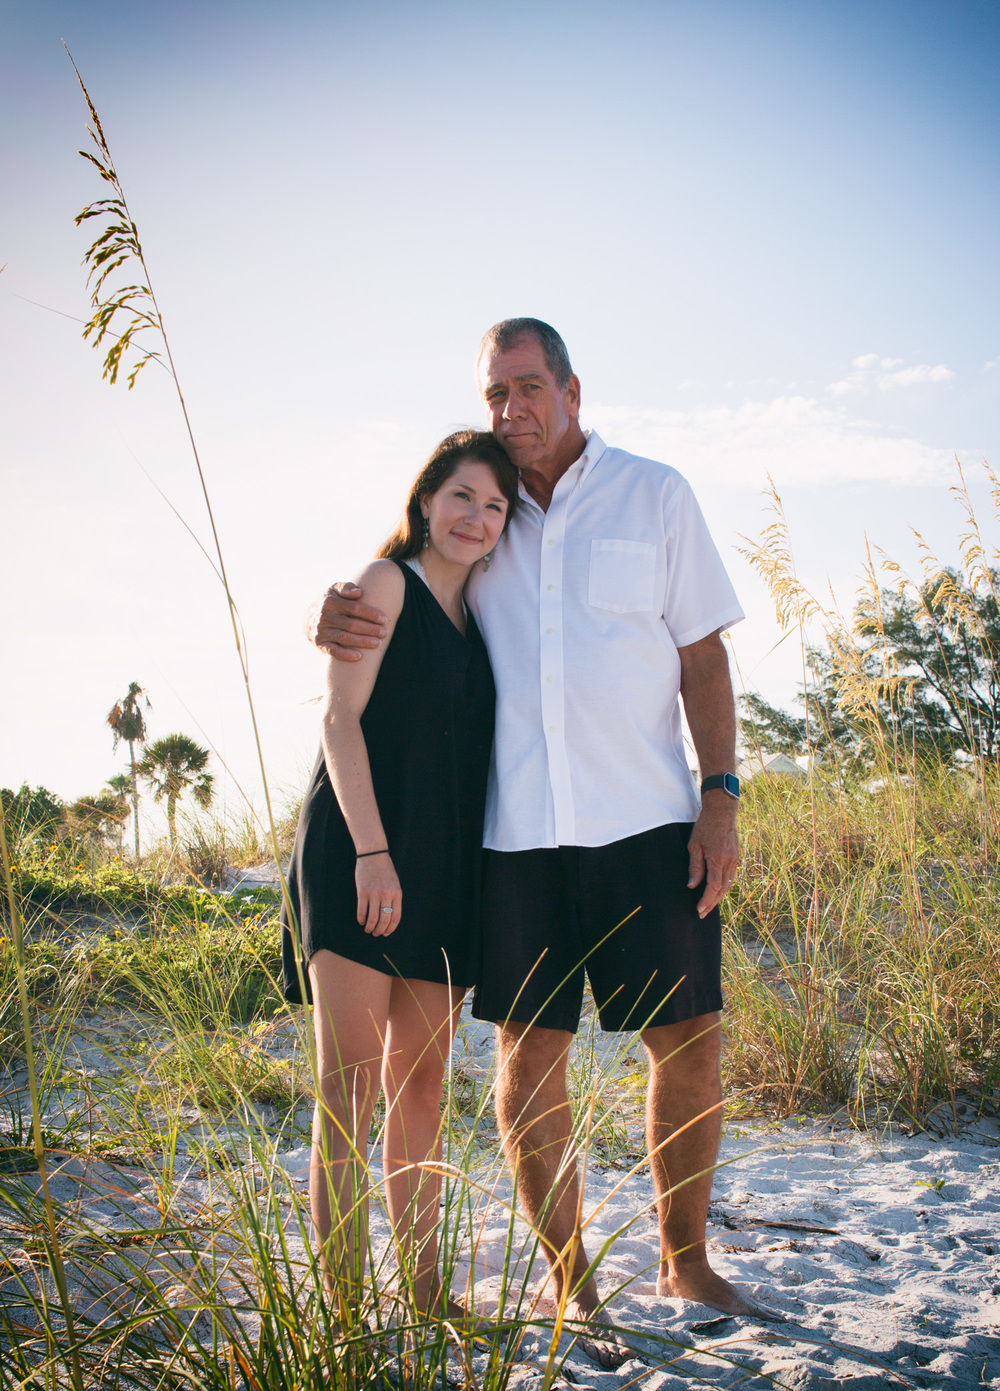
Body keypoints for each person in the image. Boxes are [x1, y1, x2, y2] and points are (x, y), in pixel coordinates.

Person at [310, 320, 776, 1364]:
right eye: (495, 393)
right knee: (528, 1063)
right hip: (513, 841)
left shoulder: (653, 493)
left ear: (571, 387)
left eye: (528, 387)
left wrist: (722, 796)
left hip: (648, 822)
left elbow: (702, 655)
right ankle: (573, 1279)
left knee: (688, 1041)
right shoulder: (487, 514)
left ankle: (683, 1255)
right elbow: (396, 578)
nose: (512, 408)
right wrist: (331, 603)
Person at [282, 429, 519, 1328]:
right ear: (426, 501)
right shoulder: (387, 586)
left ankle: (423, 1292)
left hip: (449, 871)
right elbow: (341, 723)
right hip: (360, 852)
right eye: (462, 495)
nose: (477, 516)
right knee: (344, 1087)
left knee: (419, 1086)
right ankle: (342, 1309)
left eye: (494, 505)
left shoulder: (487, 613)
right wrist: (373, 851)